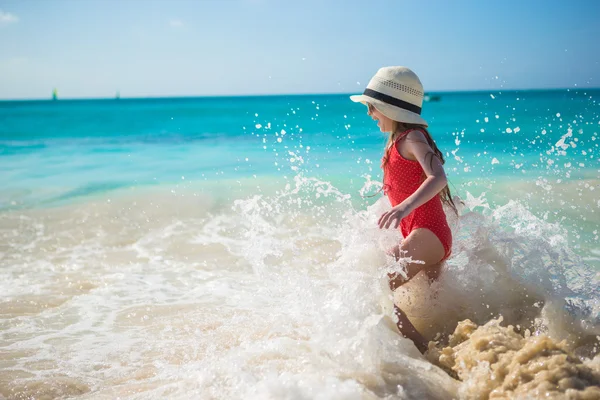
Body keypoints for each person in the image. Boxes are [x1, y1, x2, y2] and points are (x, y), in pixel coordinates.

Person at [350, 66, 457, 353]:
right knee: (435, 310)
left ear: (389, 108)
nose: (370, 114)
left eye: (373, 108)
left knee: (376, 289)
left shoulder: (412, 138)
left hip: (427, 234)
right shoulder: (398, 141)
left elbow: (439, 178)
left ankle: (424, 354)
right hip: (427, 236)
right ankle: (449, 352)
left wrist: (402, 207)